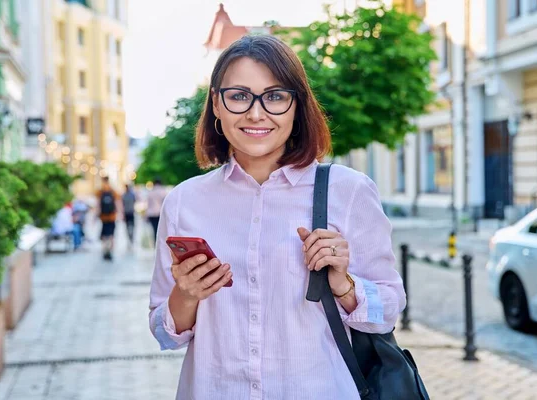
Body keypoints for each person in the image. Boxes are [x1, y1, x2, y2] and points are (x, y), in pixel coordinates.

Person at [148, 35, 406, 399]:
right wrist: (186, 294)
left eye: (275, 96)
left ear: (297, 106)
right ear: (216, 106)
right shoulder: (184, 201)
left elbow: (389, 310)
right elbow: (163, 331)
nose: (256, 113)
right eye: (238, 96)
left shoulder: (349, 191)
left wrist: (343, 284)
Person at [96, 177, 120, 260]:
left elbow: (98, 204)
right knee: (111, 235)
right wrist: (119, 213)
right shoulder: (113, 191)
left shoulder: (100, 191)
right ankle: (110, 250)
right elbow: (117, 203)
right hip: (112, 216)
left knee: (104, 235)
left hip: (103, 217)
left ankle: (105, 250)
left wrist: (96, 214)